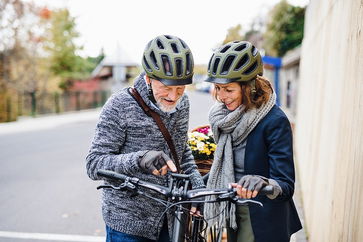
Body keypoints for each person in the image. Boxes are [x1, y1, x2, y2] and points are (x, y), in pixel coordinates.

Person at [86, 35, 205, 242]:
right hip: (128, 223)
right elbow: (94, 164)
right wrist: (139, 159)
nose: (173, 96)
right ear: (148, 78)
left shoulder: (182, 104)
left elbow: (181, 150)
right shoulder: (119, 105)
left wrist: (198, 188)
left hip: (171, 217)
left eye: (180, 88)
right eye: (166, 88)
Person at [203, 40, 302, 242]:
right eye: (217, 88)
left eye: (228, 90)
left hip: (262, 215)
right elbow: (221, 169)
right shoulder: (223, 119)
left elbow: (286, 184)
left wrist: (262, 181)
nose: (221, 96)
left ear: (248, 87)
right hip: (231, 210)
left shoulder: (274, 121)